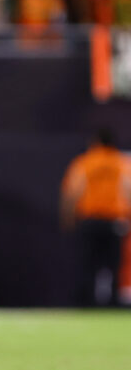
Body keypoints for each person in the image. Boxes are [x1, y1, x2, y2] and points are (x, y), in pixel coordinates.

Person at [60, 128, 131, 306]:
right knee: (114, 266)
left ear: (96, 142)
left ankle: (85, 303)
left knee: (86, 265)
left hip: (89, 221)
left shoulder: (84, 163)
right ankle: (113, 303)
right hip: (114, 222)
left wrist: (68, 218)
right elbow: (128, 192)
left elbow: (72, 193)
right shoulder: (121, 163)